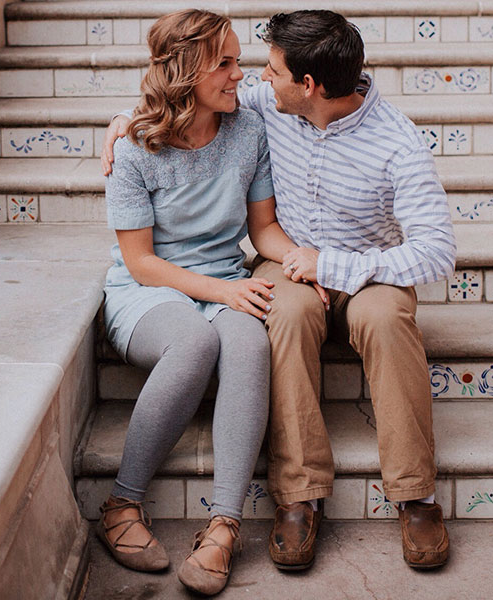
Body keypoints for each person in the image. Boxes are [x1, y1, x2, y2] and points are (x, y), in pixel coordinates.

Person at [102, 9, 456, 571]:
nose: (255, 76)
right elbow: (178, 101)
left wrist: (330, 265)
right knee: (282, 317)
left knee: (387, 321)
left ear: (308, 86)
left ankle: (416, 497)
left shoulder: (397, 140)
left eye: (268, 68)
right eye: (243, 64)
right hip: (288, 266)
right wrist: (126, 119)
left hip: (367, 273)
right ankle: (298, 496)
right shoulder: (267, 103)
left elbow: (437, 251)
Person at [98, 9, 327, 596]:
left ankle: (224, 525)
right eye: (224, 62)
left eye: (237, 59)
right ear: (185, 72)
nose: (238, 73)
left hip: (224, 279)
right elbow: (140, 261)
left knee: (250, 343)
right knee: (197, 341)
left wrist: (305, 258)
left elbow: (263, 229)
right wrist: (223, 291)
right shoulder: (135, 147)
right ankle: (121, 504)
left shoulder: (247, 131)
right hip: (148, 292)